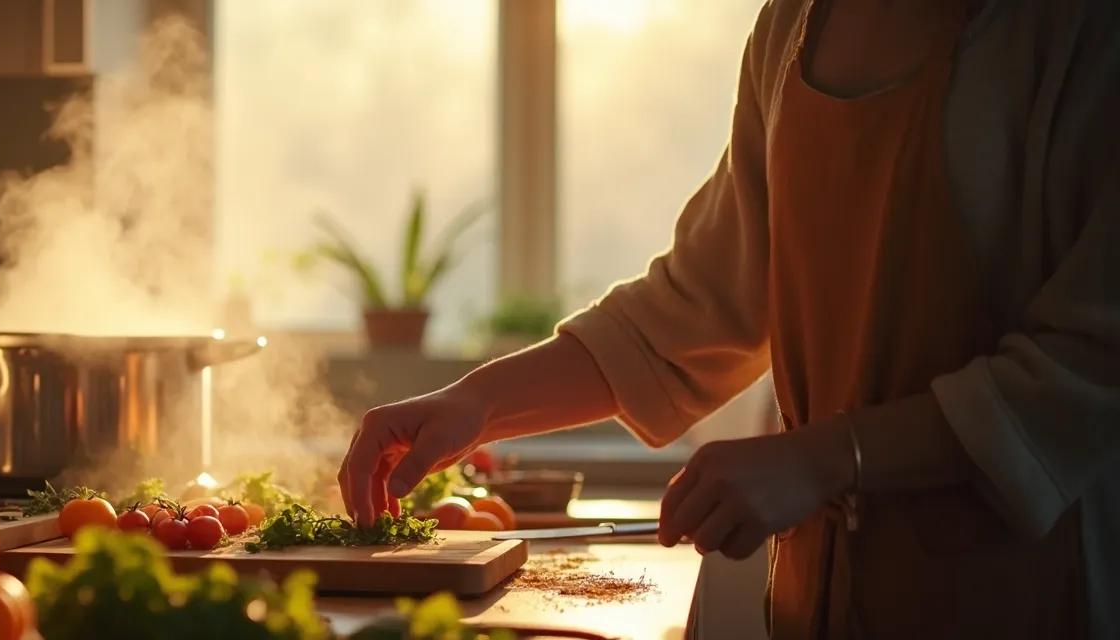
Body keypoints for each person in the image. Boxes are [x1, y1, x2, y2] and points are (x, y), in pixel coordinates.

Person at [338, 0, 1119, 636]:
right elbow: (695, 307)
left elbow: (1087, 371)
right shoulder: (790, 27)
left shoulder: (1082, 33)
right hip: (818, 600)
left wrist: (825, 459)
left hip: (1024, 596)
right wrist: (478, 403)